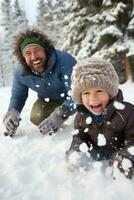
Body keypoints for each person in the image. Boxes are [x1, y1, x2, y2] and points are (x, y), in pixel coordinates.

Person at [66, 57, 134, 179]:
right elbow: (80, 135)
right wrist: (76, 150)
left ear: (110, 92)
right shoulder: (81, 116)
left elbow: (132, 140)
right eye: (86, 93)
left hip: (118, 155)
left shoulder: (126, 113)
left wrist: (126, 156)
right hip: (96, 158)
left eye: (99, 90)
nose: (93, 99)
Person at [3, 28, 77, 137]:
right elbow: (18, 96)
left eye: (37, 50)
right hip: (50, 99)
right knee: (36, 117)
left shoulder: (64, 61)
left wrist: (62, 113)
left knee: (83, 118)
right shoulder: (21, 72)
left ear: (45, 50)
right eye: (28, 53)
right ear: (23, 57)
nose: (33, 56)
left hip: (74, 97)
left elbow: (76, 92)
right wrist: (12, 112)